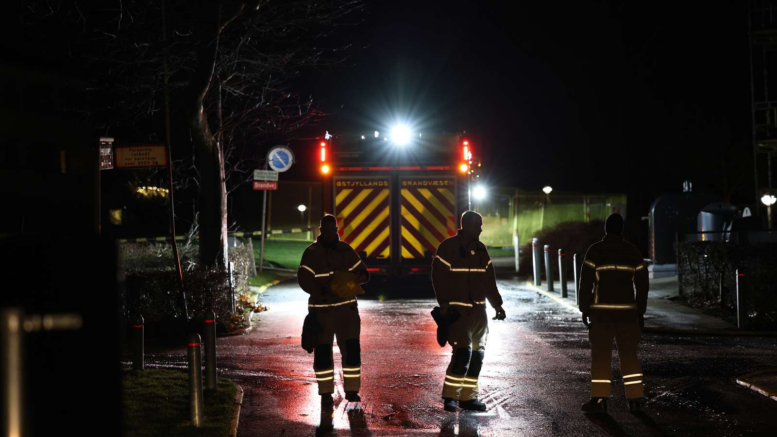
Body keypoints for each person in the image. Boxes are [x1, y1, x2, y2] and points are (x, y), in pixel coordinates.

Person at [432, 210, 506, 412]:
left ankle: (468, 398)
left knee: (477, 356)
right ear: (467, 225)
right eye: (478, 225)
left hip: (479, 312)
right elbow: (439, 278)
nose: (481, 229)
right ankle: (450, 397)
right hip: (459, 312)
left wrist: (497, 305)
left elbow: (489, 280)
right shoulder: (448, 248)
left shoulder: (481, 250)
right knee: (462, 354)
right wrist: (444, 304)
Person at [578, 213, 649, 413]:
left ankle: (600, 400)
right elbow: (642, 285)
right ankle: (635, 399)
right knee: (629, 356)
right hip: (628, 315)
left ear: (606, 229)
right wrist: (640, 311)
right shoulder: (633, 252)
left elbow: (586, 283)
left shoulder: (595, 251)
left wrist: (584, 308)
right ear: (621, 230)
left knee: (601, 357)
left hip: (601, 315)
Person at [298, 214, 370, 407]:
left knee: (352, 349)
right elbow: (304, 279)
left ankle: (352, 390)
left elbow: (363, 273)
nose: (330, 233)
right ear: (321, 230)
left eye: (333, 230)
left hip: (347, 311)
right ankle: (325, 392)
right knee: (323, 352)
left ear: (336, 230)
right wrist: (321, 289)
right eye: (327, 230)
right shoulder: (311, 253)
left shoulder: (345, 250)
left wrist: (358, 278)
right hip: (322, 312)